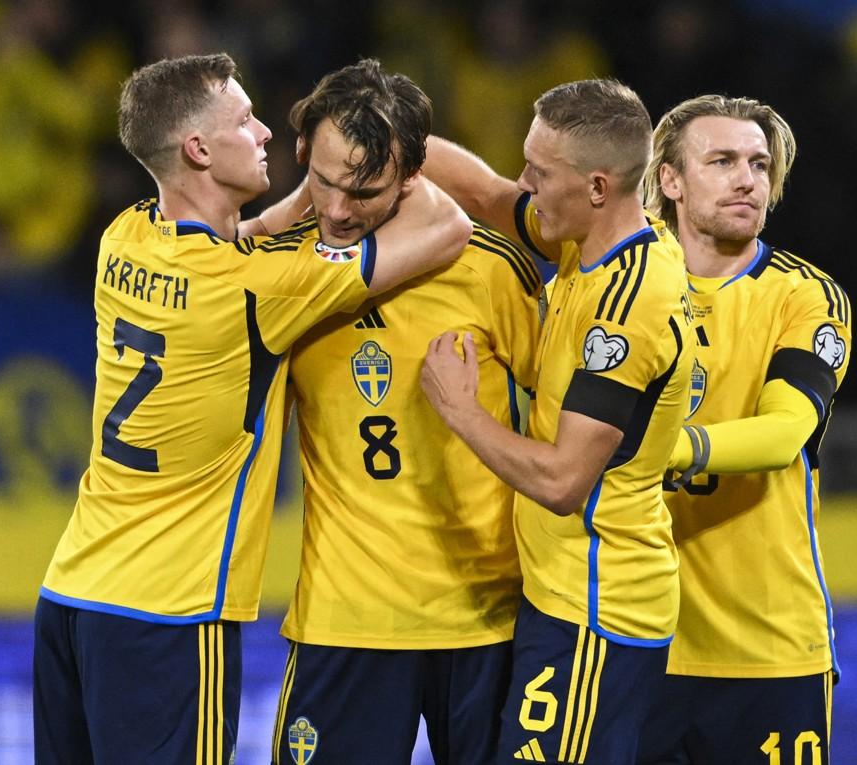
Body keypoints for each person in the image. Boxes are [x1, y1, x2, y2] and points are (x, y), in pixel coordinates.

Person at [32, 53, 472, 764]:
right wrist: (386, 162)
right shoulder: (260, 293)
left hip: (71, 595)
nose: (267, 131)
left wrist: (299, 199)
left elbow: (234, 242)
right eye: (244, 121)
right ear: (198, 149)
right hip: (170, 613)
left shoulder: (125, 237)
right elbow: (446, 228)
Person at [269, 60, 542, 765]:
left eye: (363, 192)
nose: (335, 209)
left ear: (412, 173)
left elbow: (566, 414)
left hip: (486, 618)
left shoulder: (488, 268)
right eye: (323, 182)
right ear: (303, 157)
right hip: (346, 618)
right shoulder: (283, 269)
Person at [420, 79, 692, 765]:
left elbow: (565, 479)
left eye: (539, 173)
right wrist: (388, 138)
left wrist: (459, 408)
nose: (524, 183)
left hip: (596, 610)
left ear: (598, 187)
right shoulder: (584, 238)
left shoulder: (626, 310)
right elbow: (484, 192)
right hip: (559, 594)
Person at [633, 95, 852, 765]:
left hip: (769, 649)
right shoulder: (621, 285)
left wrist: (654, 452)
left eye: (759, 164)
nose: (747, 179)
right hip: (634, 639)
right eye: (722, 160)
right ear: (670, 180)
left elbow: (784, 432)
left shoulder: (804, 295)